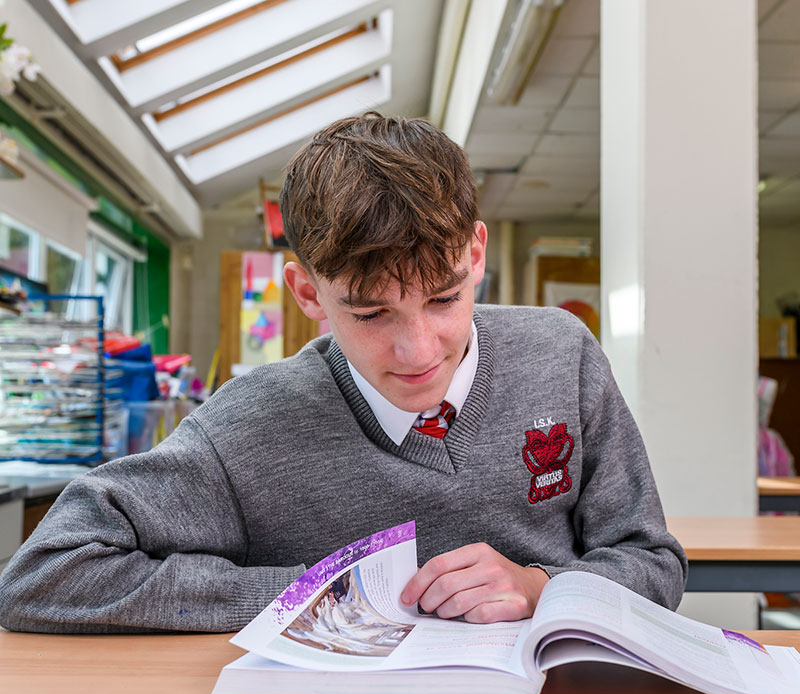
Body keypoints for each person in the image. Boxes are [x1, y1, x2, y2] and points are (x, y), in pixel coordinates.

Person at [0, 114, 686, 634]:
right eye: (369, 313)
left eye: (444, 299)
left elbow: (651, 561)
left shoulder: (561, 354)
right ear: (307, 295)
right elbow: (45, 573)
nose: (418, 350)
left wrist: (543, 589)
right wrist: (328, 593)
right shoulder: (247, 425)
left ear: (476, 254)